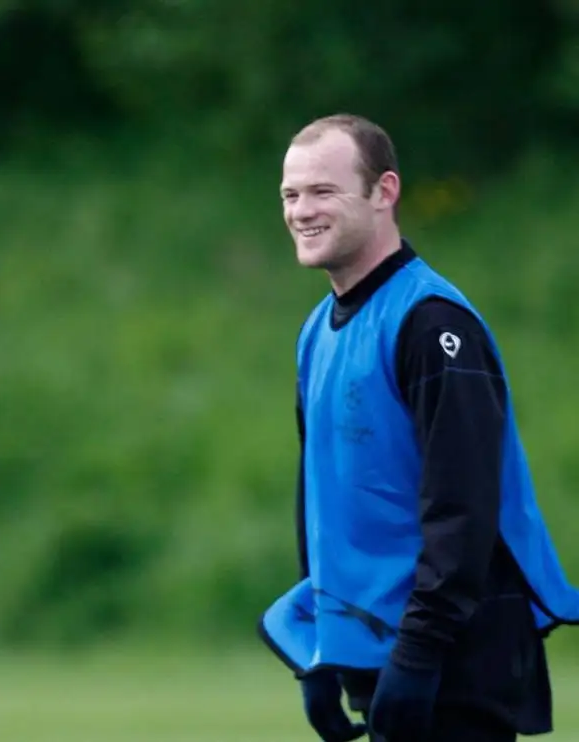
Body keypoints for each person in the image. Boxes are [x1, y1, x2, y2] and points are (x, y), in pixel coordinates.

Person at [257, 113, 579, 742]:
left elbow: (462, 507)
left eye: (324, 191)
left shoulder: (430, 324)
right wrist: (319, 648)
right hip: (375, 646)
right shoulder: (317, 330)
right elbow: (324, 498)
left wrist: (420, 654)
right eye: (291, 195)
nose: (301, 211)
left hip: (451, 655)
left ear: (385, 192)